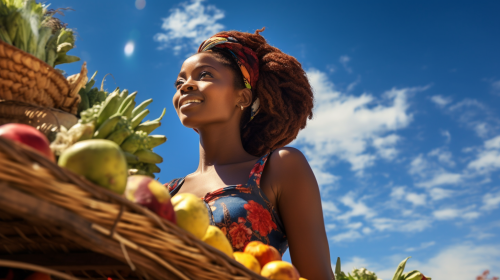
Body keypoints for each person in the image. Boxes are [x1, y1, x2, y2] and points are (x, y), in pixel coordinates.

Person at [166, 28, 334, 279]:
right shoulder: (166, 191)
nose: (186, 86)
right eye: (179, 82)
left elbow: (317, 276)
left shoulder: (280, 168)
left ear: (242, 96)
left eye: (205, 75)